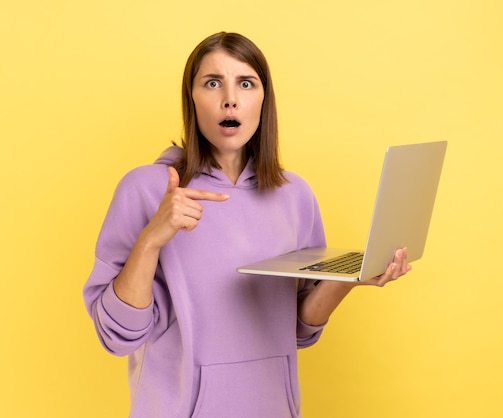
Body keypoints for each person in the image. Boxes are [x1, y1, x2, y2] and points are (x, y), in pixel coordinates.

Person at [83, 31, 411, 418]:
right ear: (191, 98)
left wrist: (350, 279)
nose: (230, 98)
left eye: (245, 83)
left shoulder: (295, 195)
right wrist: (151, 240)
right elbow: (116, 335)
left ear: (263, 99)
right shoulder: (147, 188)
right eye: (212, 83)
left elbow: (296, 330)